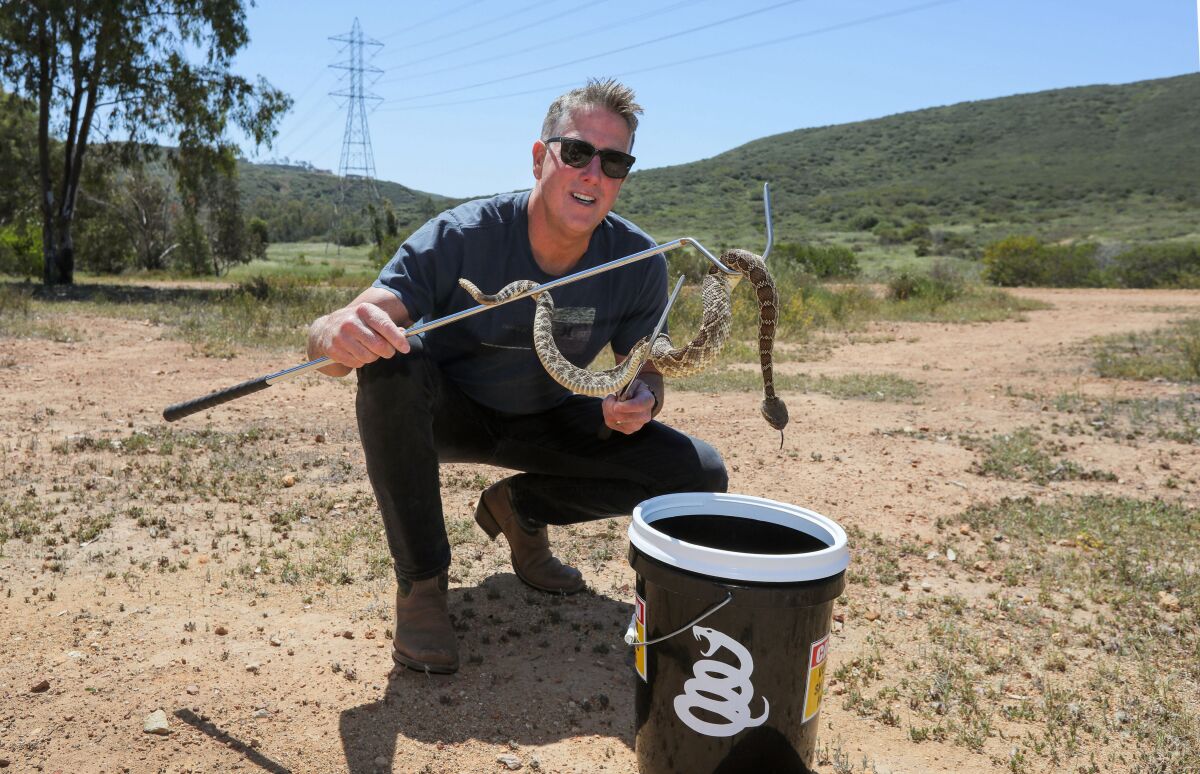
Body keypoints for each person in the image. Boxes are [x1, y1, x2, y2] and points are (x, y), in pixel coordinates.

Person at [307, 78, 727, 675]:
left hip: (555, 417)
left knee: (700, 471)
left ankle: (520, 507)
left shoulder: (638, 261)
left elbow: (648, 370)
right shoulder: (461, 237)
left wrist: (641, 398)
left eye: (614, 163)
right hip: (455, 414)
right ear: (540, 157)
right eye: (577, 153)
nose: (593, 175)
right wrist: (333, 333)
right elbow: (346, 332)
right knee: (393, 364)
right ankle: (422, 587)